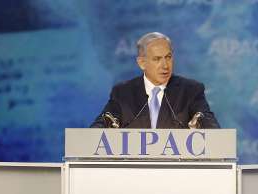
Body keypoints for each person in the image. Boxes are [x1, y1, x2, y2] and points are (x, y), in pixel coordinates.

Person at [90, 32, 220, 129]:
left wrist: (205, 128)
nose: (165, 65)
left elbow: (209, 124)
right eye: (157, 59)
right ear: (142, 63)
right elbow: (101, 124)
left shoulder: (191, 90)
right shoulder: (123, 93)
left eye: (168, 57)